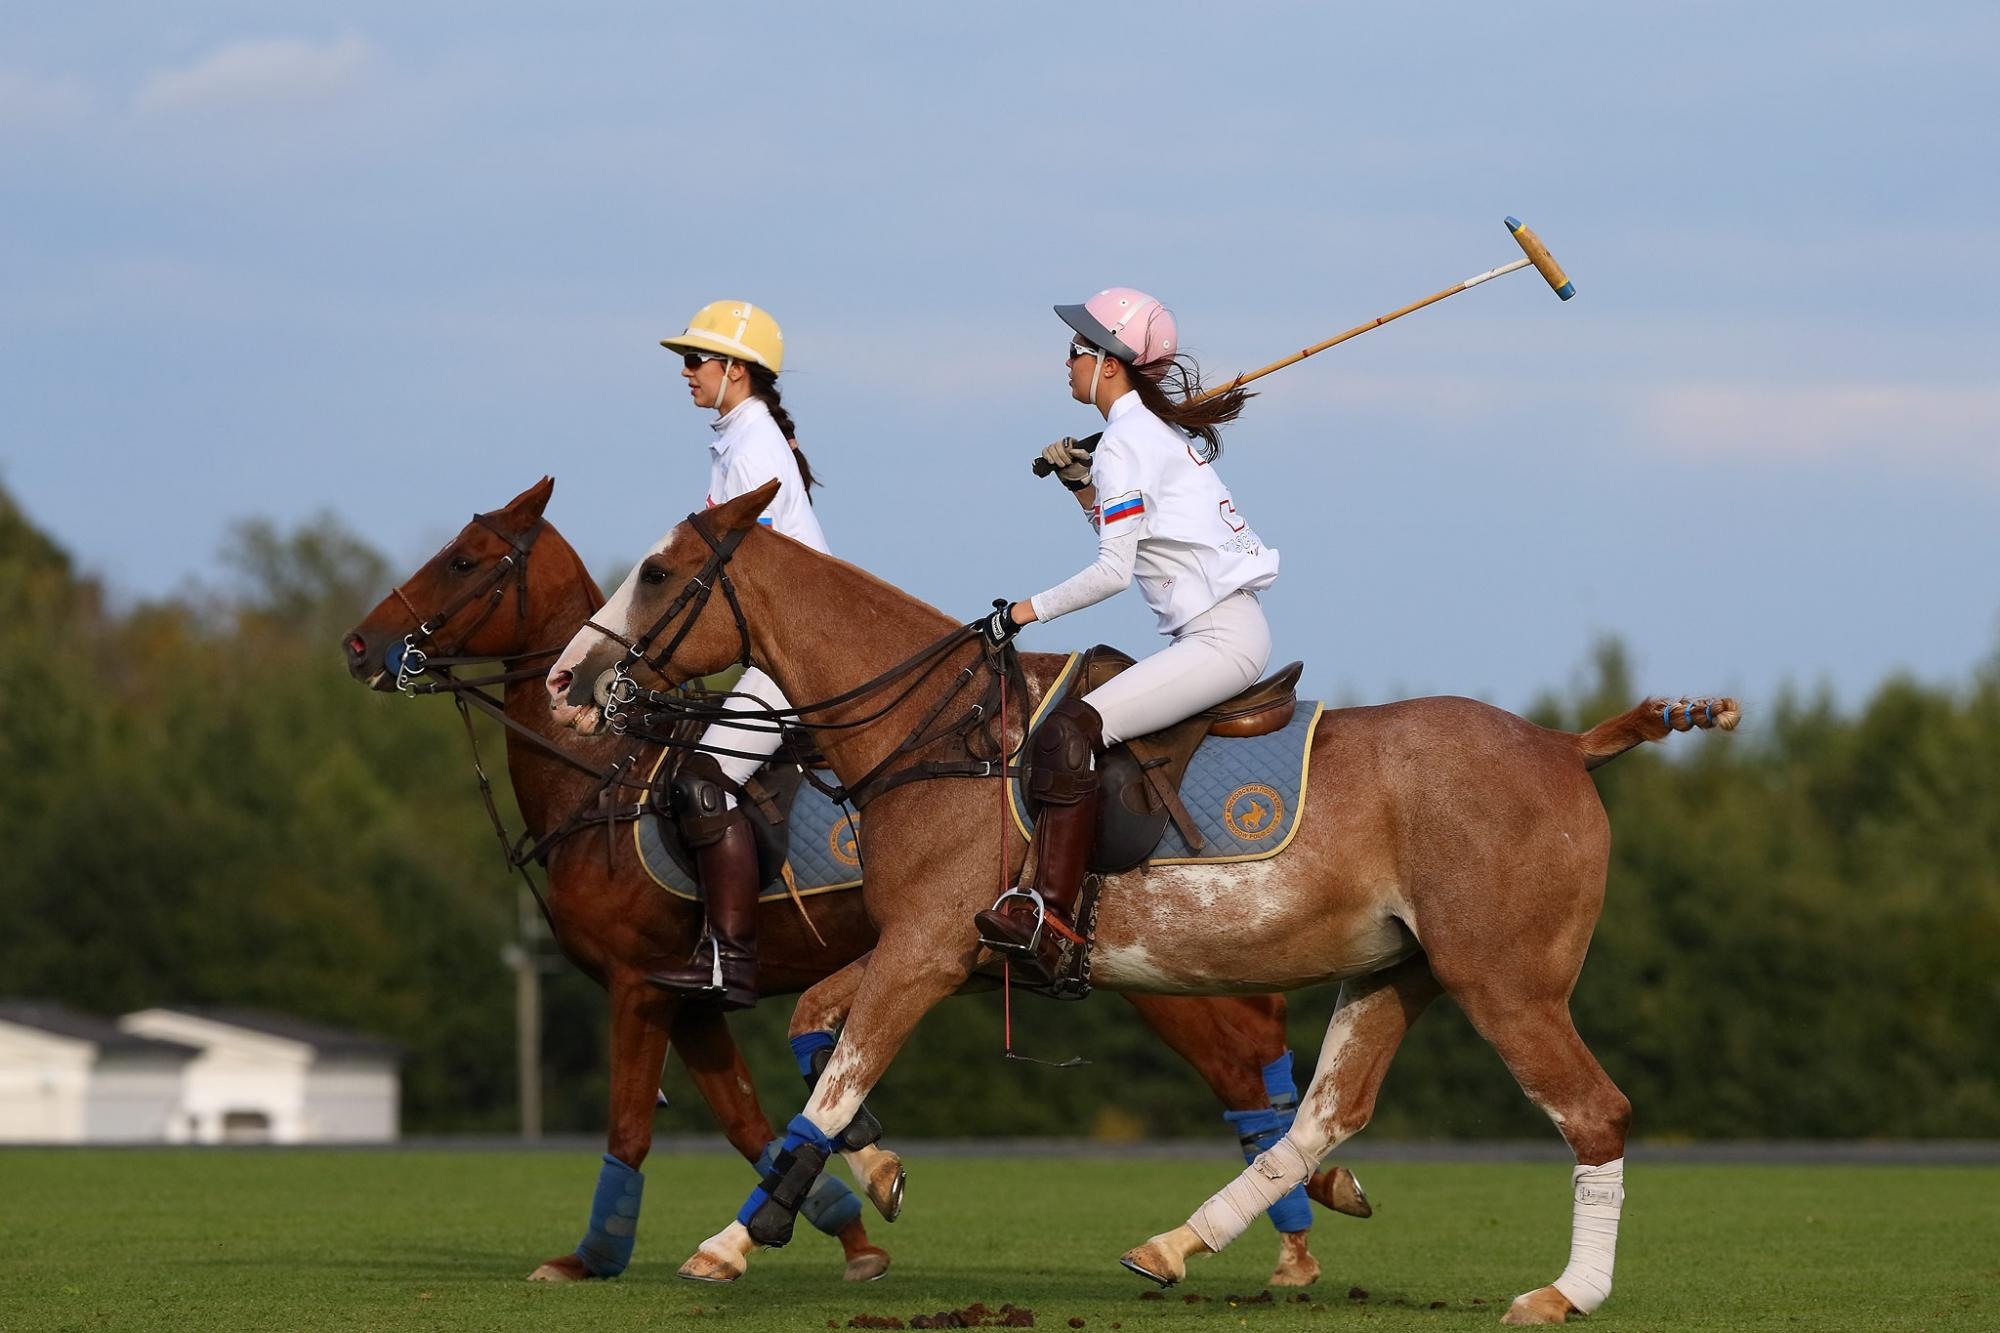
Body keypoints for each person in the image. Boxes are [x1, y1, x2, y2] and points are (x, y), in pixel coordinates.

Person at [971, 289, 1279, 980]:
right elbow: (1135, 552)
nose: (1068, 361)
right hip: (1217, 633)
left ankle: (1047, 918)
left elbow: (1112, 573)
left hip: (1220, 639)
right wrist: (1084, 488)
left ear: (1110, 364)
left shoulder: (1129, 444)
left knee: (1064, 733)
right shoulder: (1139, 440)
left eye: (1078, 350)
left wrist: (1020, 612)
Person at [652, 300, 827, 1009]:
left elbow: (721, 583)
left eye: (696, 361)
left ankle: (731, 959)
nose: (686, 373)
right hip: (781, 644)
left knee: (703, 779)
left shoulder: (754, 450)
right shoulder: (738, 439)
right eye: (686, 361)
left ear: (736, 371)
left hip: (799, 651)